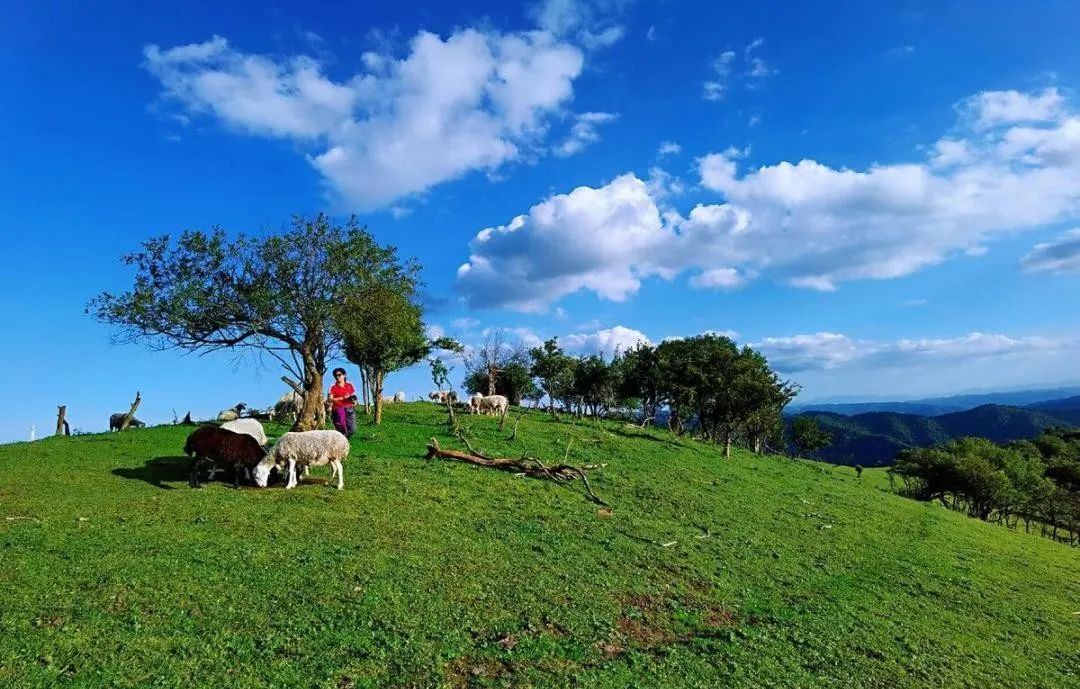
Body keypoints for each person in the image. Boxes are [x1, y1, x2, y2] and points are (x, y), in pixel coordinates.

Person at [327, 367, 357, 438]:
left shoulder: (349, 385)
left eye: (339, 375)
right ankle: (342, 441)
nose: (337, 377)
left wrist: (354, 401)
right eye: (335, 376)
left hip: (349, 408)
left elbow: (353, 395)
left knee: (352, 429)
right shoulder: (332, 387)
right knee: (341, 426)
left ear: (344, 375)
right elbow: (330, 399)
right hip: (338, 408)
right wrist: (341, 398)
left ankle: (344, 440)